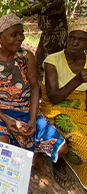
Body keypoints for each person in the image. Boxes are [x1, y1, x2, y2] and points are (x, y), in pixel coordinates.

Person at [0, 13, 68, 164]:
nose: (20, 38)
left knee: (62, 150)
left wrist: (33, 120)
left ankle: (32, 152)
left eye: (21, 33)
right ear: (0, 38)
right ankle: (30, 153)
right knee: (3, 147)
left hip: (25, 109)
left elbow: (34, 88)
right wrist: (6, 119)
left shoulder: (27, 57)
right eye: (14, 34)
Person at [40, 18, 87, 189]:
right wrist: (77, 80)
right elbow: (53, 97)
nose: (75, 42)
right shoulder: (53, 60)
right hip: (55, 109)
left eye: (81, 39)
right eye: (72, 38)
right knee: (82, 145)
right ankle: (59, 158)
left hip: (80, 110)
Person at [24, 0, 68, 80]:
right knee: (39, 62)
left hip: (58, 39)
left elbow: (45, 8)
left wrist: (26, 0)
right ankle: (40, 84)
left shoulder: (59, 3)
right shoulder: (40, 5)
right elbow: (29, 12)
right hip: (46, 38)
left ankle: (54, 85)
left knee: (56, 63)